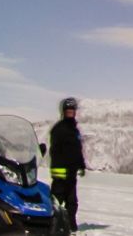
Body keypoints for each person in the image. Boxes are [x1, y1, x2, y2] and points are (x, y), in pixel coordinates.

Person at [49, 97, 86, 232]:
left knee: (72, 202)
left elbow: (77, 150)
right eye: (68, 111)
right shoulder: (59, 129)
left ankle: (70, 227)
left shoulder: (74, 130)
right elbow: (55, 150)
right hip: (60, 170)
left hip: (71, 171)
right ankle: (51, 225)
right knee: (57, 200)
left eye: (72, 111)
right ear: (63, 112)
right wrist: (58, 168)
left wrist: (81, 165)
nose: (70, 113)